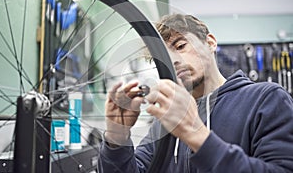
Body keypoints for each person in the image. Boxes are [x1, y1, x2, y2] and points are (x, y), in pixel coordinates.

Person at [97, 14, 293, 172]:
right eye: (164, 57)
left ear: (211, 43)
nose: (173, 60)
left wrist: (196, 135)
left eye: (180, 46)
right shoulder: (165, 121)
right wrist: (117, 138)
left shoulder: (267, 99)